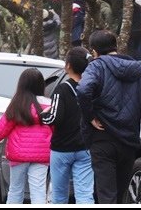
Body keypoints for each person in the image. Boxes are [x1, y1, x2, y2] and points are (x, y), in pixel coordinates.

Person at [77, 30, 141, 204]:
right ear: (115, 46)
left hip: (102, 138)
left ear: (94, 51)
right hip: (128, 140)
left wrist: (90, 116)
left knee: (106, 194)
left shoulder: (97, 66)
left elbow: (83, 89)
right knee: (120, 195)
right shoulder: (140, 71)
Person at [0, 68, 52, 204]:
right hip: (41, 155)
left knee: (15, 190)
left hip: (18, 155)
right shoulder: (49, 105)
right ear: (41, 85)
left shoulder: (17, 104)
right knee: (38, 191)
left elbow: (0, 130)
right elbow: (56, 130)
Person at [40, 47, 94, 204]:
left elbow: (55, 117)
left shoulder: (62, 89)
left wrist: (41, 116)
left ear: (68, 65)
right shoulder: (91, 89)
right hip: (85, 148)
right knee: (84, 194)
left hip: (61, 149)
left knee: (59, 195)